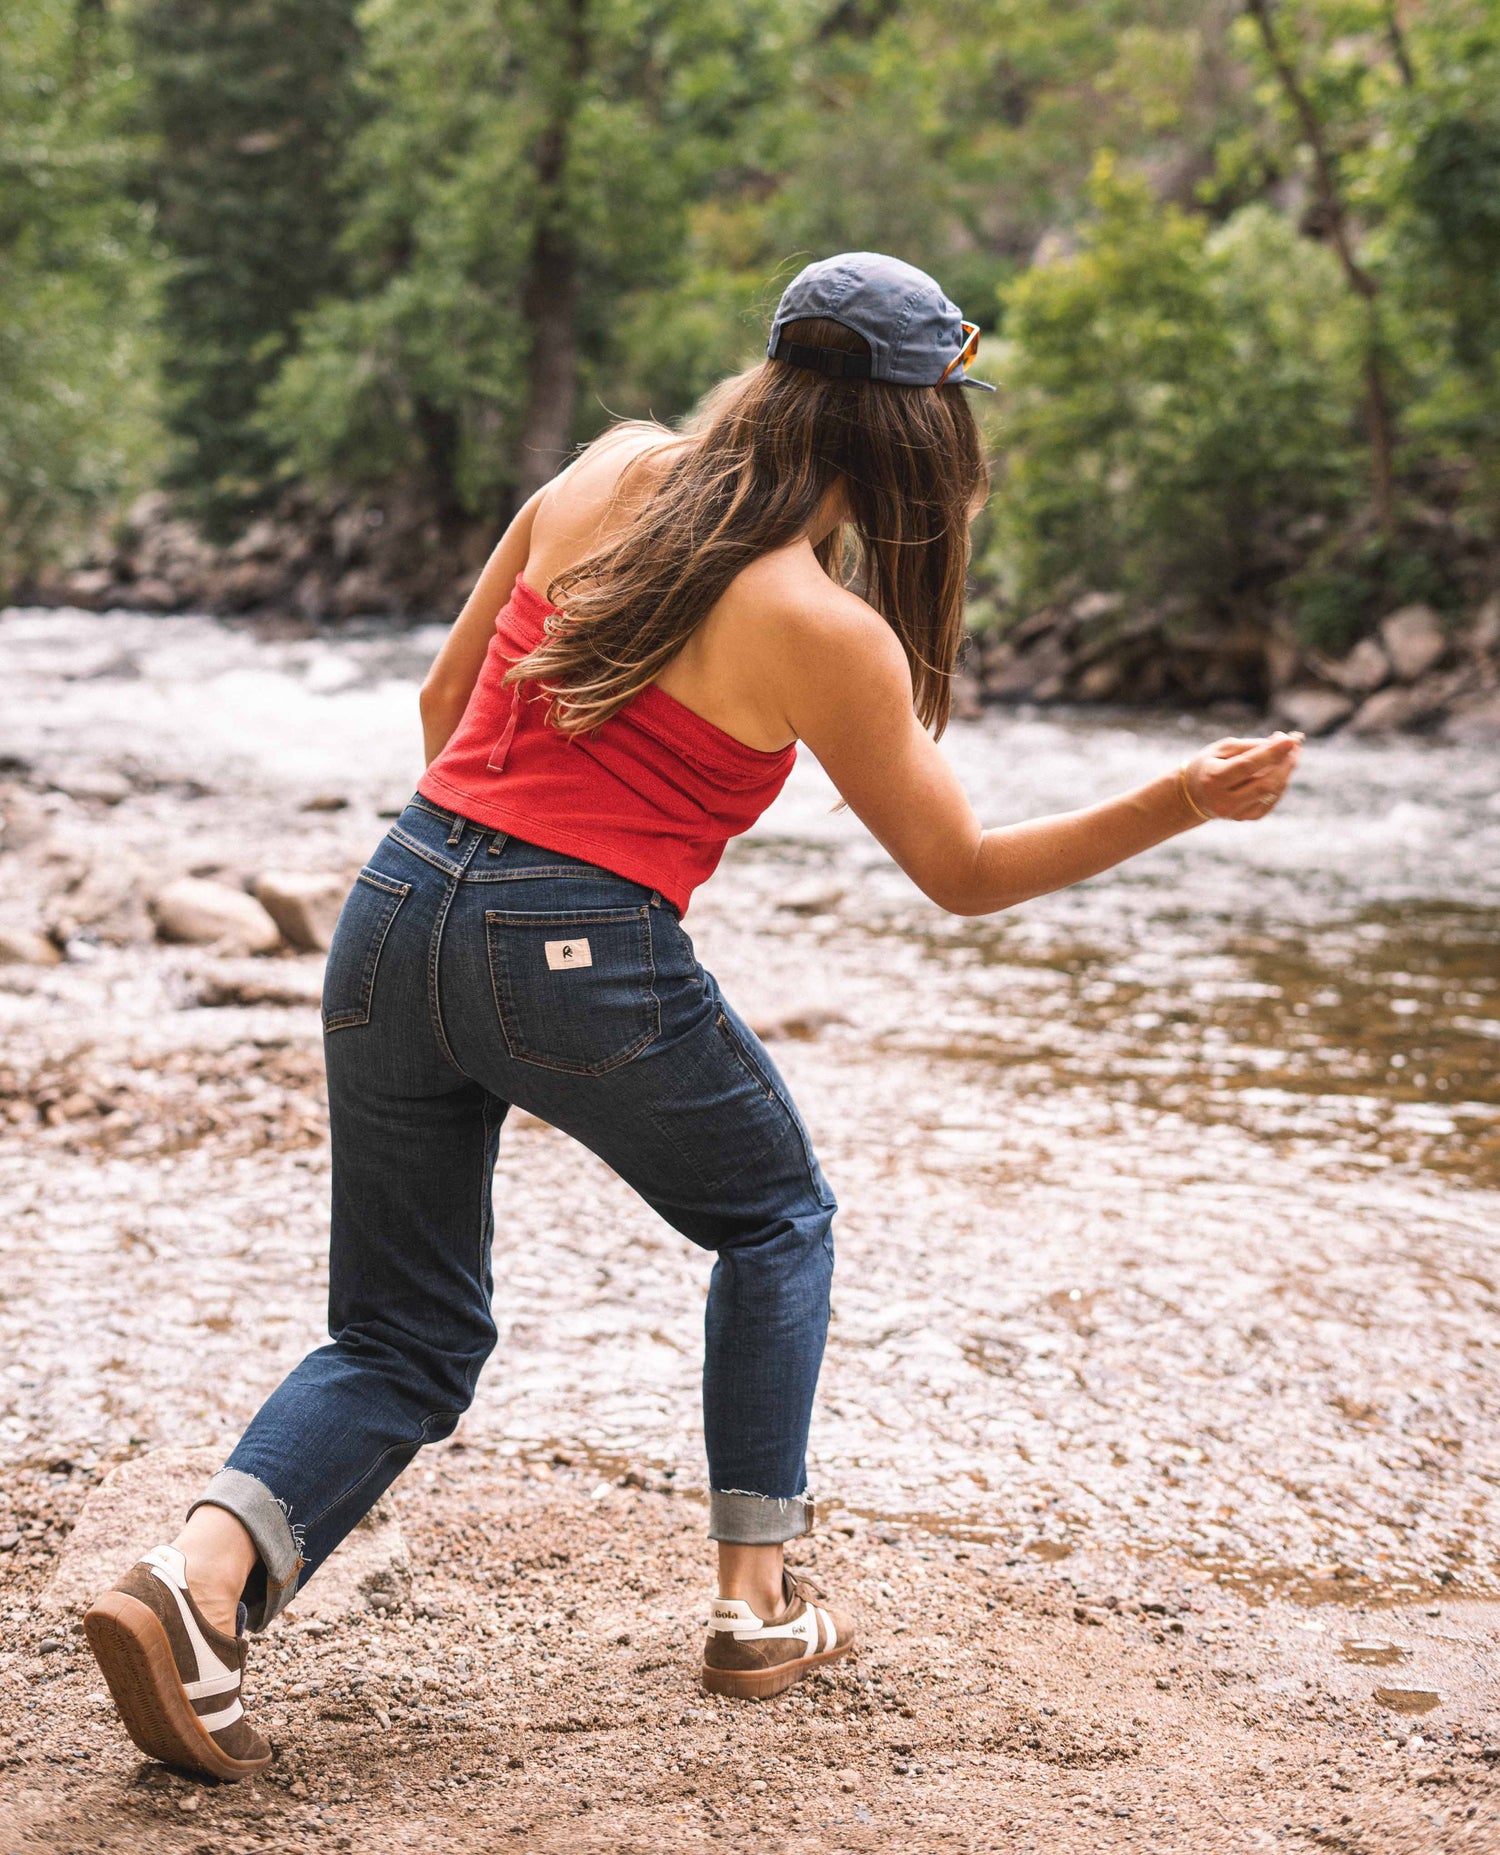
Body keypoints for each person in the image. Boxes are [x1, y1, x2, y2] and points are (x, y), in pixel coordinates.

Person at [82, 252, 1303, 1779]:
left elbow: (436, 714)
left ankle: (194, 1587)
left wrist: (490, 894)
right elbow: (967, 873)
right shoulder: (823, 626)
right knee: (776, 1215)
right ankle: (755, 1605)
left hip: (394, 905)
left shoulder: (611, 469)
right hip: (575, 943)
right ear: (921, 442)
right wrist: (1181, 799)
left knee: (404, 1328)